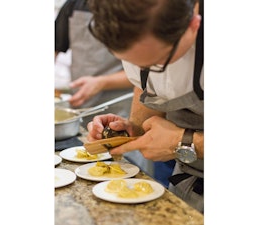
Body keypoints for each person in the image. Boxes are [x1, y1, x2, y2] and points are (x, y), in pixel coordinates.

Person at [86, 0, 204, 212]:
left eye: (156, 63)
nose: (142, 69)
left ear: (194, 25)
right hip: (189, 185)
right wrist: (132, 128)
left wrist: (183, 141)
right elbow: (147, 88)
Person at [54, 0, 133, 121]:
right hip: (78, 105)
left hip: (120, 108)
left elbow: (148, 74)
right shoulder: (74, 5)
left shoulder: (134, 9)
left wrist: (102, 82)